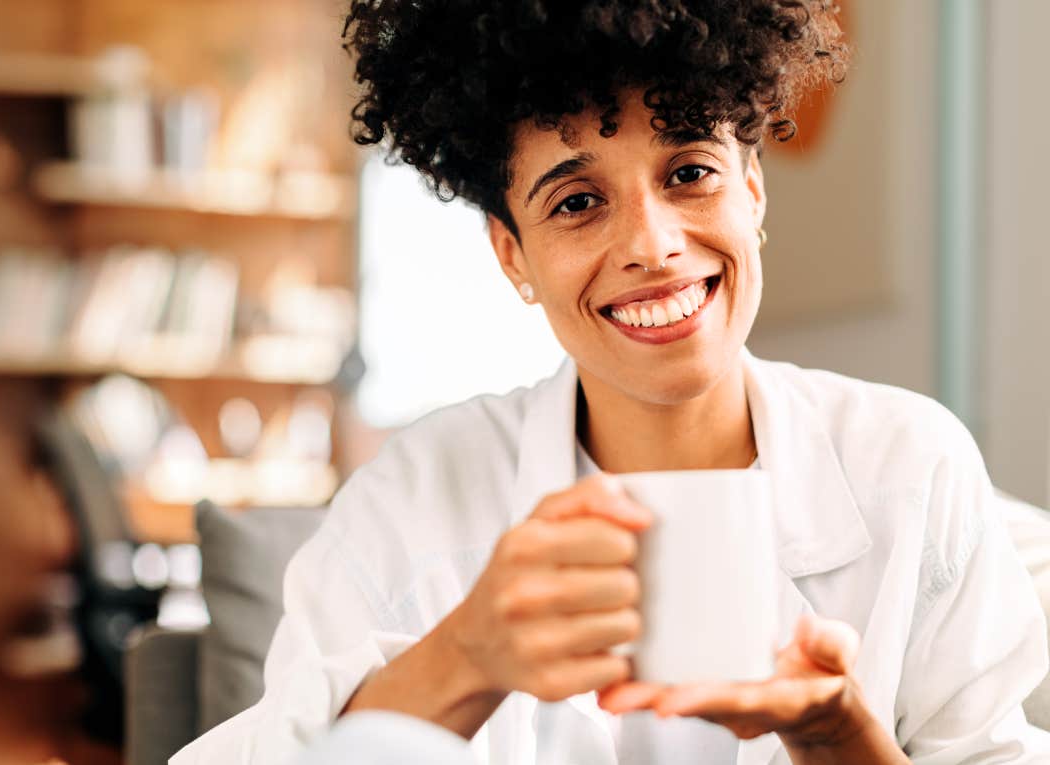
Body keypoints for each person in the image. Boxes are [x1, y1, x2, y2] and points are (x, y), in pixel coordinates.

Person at [173, 1, 1050, 762]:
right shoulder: (412, 503)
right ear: (511, 254)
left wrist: (834, 734)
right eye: (576, 201)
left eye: (690, 173)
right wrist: (464, 658)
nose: (651, 242)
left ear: (753, 191)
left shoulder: (911, 467)